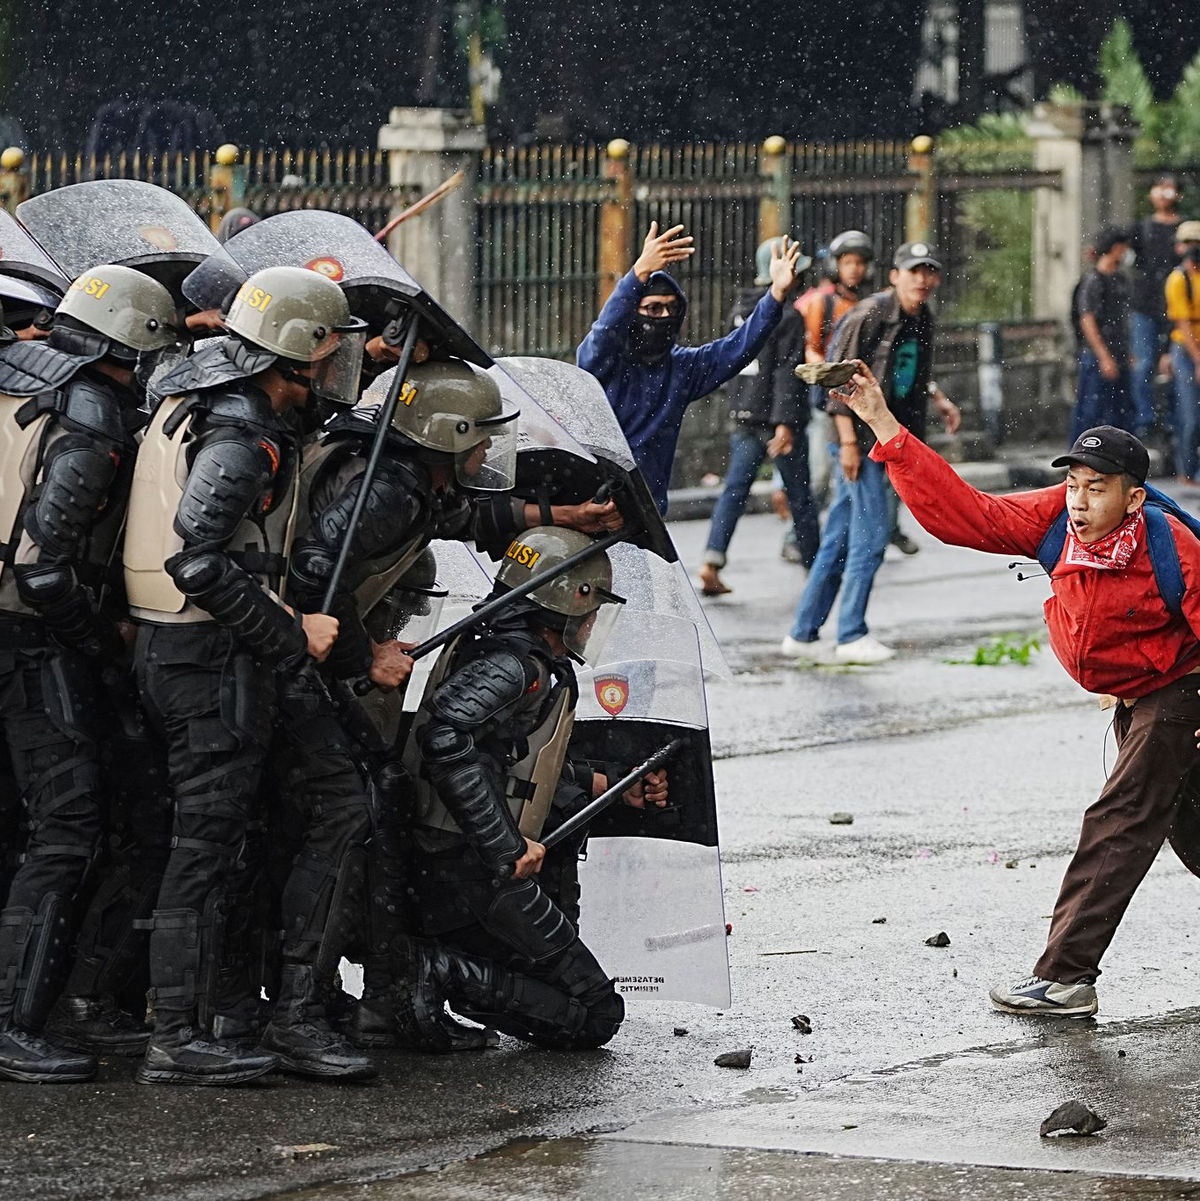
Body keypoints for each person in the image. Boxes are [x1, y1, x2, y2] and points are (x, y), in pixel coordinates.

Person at [829, 360, 1200, 1017]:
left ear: (1134, 497)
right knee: (1192, 829)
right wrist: (883, 423)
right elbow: (964, 514)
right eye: (1075, 485)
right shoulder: (1056, 522)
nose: (1080, 502)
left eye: (1099, 489)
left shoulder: (1170, 543)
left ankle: (1064, 976)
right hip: (1136, 692)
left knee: (1120, 818)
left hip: (1183, 687)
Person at [126, 266, 376, 1086]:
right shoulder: (241, 431)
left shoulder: (204, 392)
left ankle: (205, 1019)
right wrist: (291, 631)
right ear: (296, 353)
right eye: (332, 351)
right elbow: (196, 557)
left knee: (214, 843)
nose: (341, 367)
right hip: (204, 657)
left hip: (185, 650)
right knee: (203, 847)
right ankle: (178, 1034)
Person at [0, 266, 180, 1083]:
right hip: (27, 636)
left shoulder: (15, 369)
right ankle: (11, 1019)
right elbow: (43, 567)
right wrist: (102, 638)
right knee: (67, 821)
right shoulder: (89, 403)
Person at [403, 527, 645, 1050]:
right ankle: (433, 968)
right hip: (470, 870)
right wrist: (505, 850)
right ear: (566, 603)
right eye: (593, 609)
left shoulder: (505, 647)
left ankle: (446, 973)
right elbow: (444, 736)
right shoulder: (516, 664)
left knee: (557, 994)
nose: (594, 623)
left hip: (458, 862)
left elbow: (504, 763)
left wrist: (603, 783)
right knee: (596, 1014)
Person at [780, 242, 959, 666]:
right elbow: (835, 383)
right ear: (894, 275)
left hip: (888, 437)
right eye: (913, 271)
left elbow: (911, 373)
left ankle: (803, 633)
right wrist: (846, 445)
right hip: (860, 442)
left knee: (840, 537)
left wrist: (939, 398)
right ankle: (850, 633)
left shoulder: (923, 317)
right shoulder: (869, 315)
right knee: (873, 533)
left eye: (928, 271)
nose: (921, 279)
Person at [576, 222, 803, 512]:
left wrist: (776, 296)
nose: (664, 316)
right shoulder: (606, 361)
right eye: (654, 308)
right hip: (591, 502)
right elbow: (603, 333)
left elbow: (738, 347)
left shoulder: (683, 368)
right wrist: (638, 274)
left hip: (647, 510)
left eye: (672, 308)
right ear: (633, 313)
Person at [698, 237, 817, 596]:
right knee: (800, 495)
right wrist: (785, 421)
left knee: (734, 490)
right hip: (777, 418)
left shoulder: (741, 307)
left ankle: (711, 559)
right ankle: (816, 567)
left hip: (745, 411)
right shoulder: (789, 314)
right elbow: (785, 370)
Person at [1128, 175, 1184, 436]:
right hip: (1145, 305)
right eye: (1159, 188)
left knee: (1174, 364)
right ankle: (1145, 419)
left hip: (1178, 306)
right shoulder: (1141, 229)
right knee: (1143, 364)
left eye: (1169, 189)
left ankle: (1174, 418)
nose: (1163, 194)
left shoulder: (1184, 230)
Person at [1072, 227, 1134, 441]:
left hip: (1118, 352)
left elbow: (1124, 318)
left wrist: (1127, 351)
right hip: (1097, 356)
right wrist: (1103, 355)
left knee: (1118, 414)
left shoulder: (1120, 278)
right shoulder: (1093, 281)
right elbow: (1087, 320)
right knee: (1091, 414)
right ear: (1116, 249)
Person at [1165, 221, 1200, 486]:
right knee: (1189, 415)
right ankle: (1186, 469)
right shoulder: (1179, 279)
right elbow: (1184, 324)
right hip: (1187, 349)